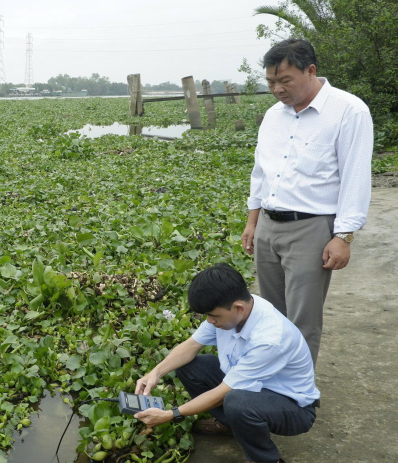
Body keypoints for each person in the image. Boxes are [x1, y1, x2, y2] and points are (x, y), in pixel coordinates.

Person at [241, 38, 373, 366]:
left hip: (311, 228)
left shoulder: (349, 111)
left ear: (311, 70)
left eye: (285, 81)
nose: (277, 89)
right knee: (270, 314)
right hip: (269, 226)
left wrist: (343, 236)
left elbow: (355, 177)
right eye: (271, 82)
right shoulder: (273, 116)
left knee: (303, 320)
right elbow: (261, 171)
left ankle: (298, 395)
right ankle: (272, 382)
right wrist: (252, 220)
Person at [134, 263, 319, 463]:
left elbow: (223, 392)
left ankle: (264, 459)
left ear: (238, 308)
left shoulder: (269, 338)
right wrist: (155, 374)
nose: (209, 321)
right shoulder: (234, 309)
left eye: (213, 316)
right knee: (191, 368)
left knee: (236, 402)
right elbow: (191, 345)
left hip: (293, 407)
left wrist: (171, 415)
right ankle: (232, 424)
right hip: (251, 386)